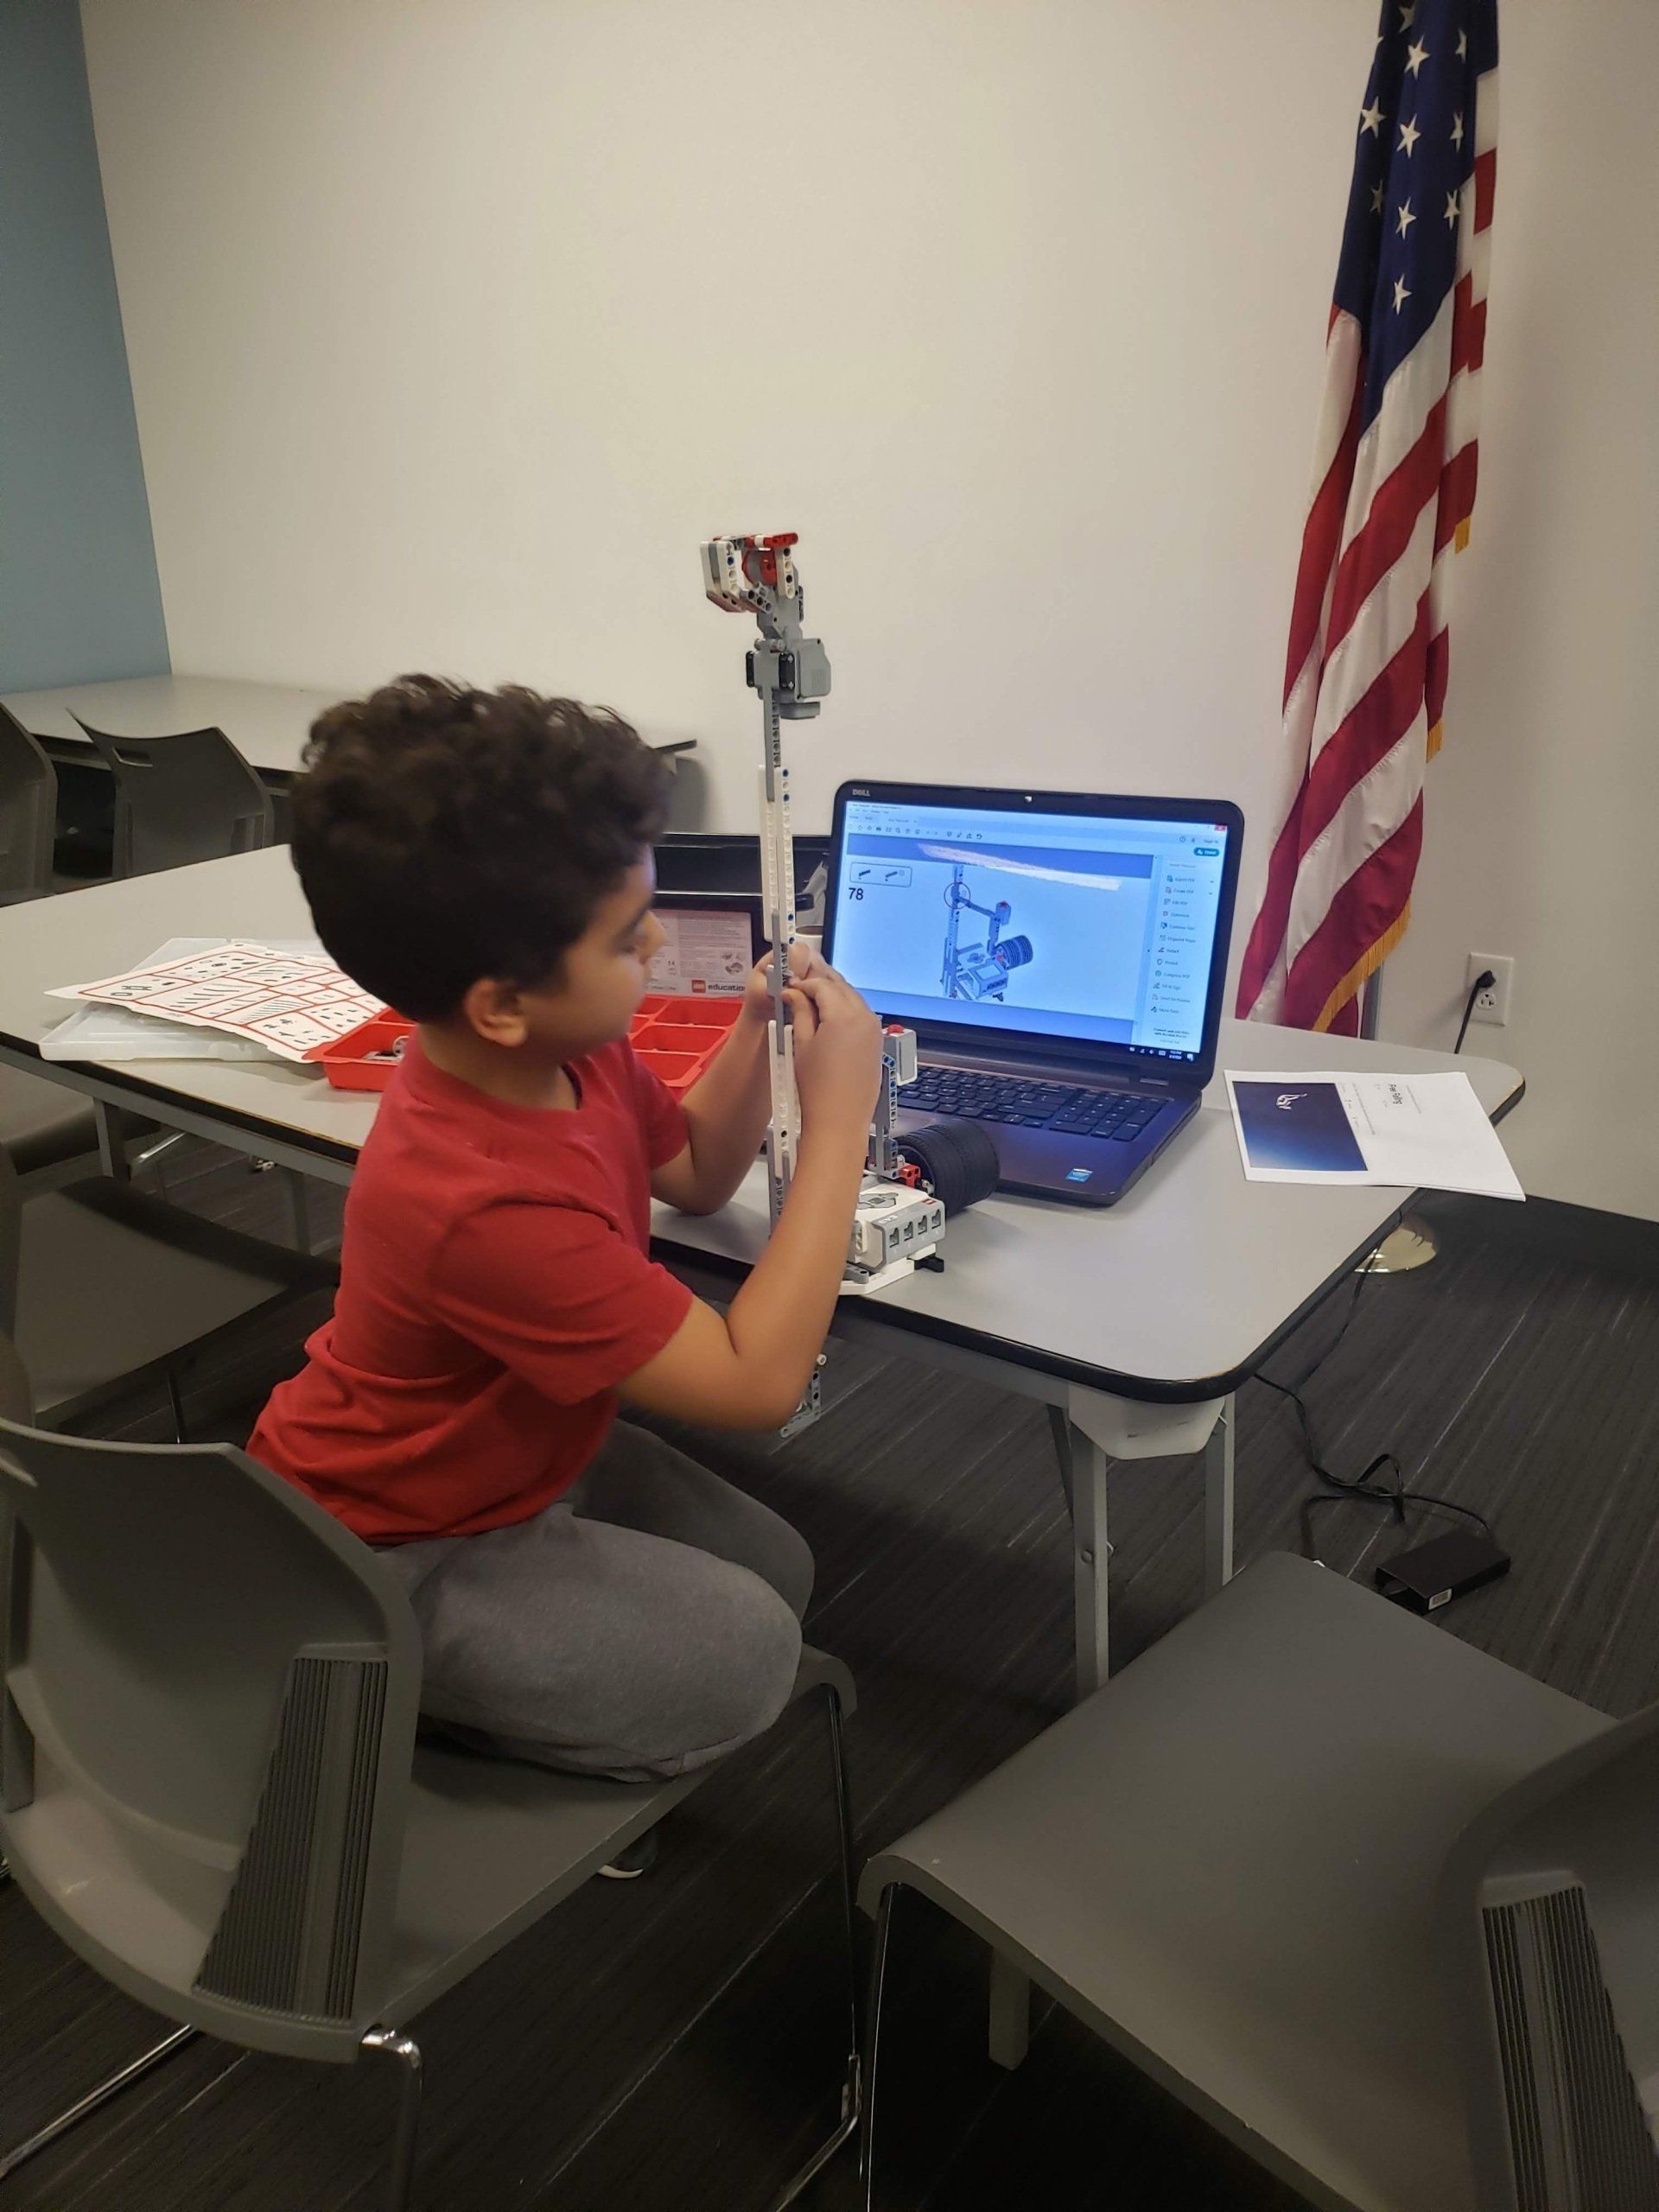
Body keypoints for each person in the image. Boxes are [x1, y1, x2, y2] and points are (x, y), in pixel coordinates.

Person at [248, 674, 880, 1807]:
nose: (655, 947)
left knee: (781, 1569)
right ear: (501, 1002)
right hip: (390, 1541)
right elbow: (761, 1382)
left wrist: (749, 1032)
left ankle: (528, 1639)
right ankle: (393, 1690)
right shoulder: (480, 1199)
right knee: (746, 1662)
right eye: (631, 939)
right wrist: (839, 1121)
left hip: (517, 1454)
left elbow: (692, 1171)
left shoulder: (557, 1054)